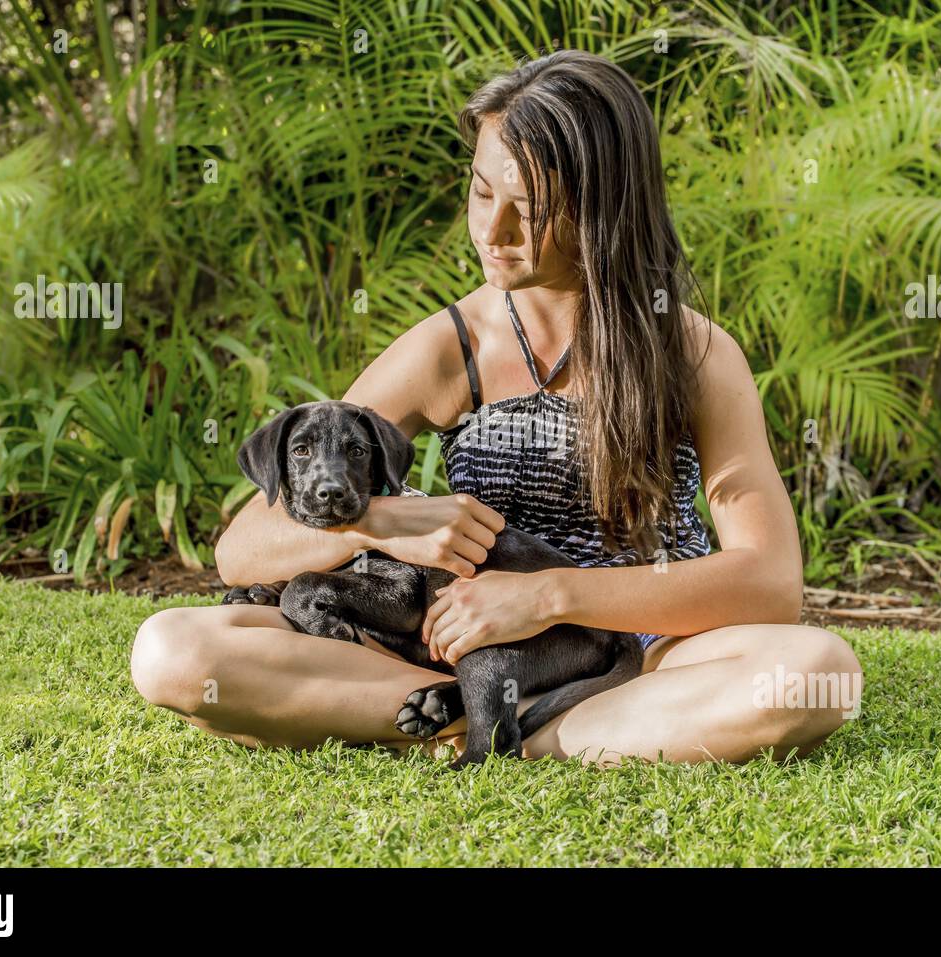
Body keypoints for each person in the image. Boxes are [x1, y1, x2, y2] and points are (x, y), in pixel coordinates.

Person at [131, 49, 862, 766]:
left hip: (644, 653)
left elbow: (770, 581)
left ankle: (506, 728)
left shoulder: (695, 353)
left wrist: (546, 597)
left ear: (605, 202)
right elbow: (243, 546)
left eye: (531, 208)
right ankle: (488, 714)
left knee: (814, 673)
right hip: (451, 652)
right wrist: (389, 521)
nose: (493, 230)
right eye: (483, 192)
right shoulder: (451, 347)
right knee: (173, 651)